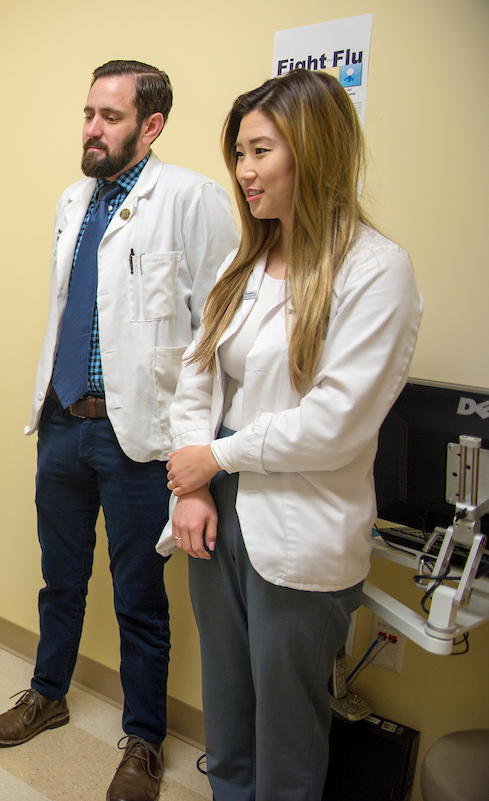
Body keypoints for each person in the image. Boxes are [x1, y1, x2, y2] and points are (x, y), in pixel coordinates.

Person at [0, 60, 238, 801]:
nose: (92, 128)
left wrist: (202, 449)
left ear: (150, 126)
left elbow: (220, 332)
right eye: (89, 113)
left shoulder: (191, 200)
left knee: (138, 594)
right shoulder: (73, 199)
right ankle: (48, 692)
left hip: (138, 437)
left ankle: (145, 739)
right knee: (60, 578)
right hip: (62, 421)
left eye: (111, 117)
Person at [160, 69, 423, 801]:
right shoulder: (242, 261)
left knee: (287, 740)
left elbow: (336, 422)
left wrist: (217, 454)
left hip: (300, 519)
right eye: (238, 154)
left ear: (314, 149)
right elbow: (197, 376)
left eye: (260, 151)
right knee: (230, 718)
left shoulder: (376, 270)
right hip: (216, 504)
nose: (243, 172)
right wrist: (197, 483)